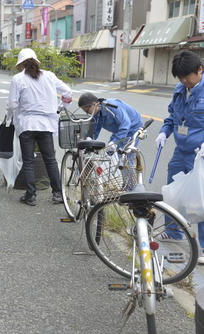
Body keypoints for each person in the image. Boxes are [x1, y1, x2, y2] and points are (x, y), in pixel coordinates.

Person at [155, 50, 204, 263]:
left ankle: (203, 246)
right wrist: (164, 132)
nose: (184, 81)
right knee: (172, 191)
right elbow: (172, 117)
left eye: (187, 77)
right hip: (181, 152)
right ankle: (173, 231)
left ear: (200, 70)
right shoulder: (179, 90)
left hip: (201, 154)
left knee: (201, 199)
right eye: (180, 78)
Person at [6, 48, 72, 206]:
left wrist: (9, 119)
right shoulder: (49, 76)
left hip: (26, 124)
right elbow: (68, 92)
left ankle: (31, 195)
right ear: (36, 61)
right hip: (46, 124)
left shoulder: (18, 79)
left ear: (21, 64)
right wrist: (60, 107)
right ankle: (57, 194)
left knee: (28, 161)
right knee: (50, 160)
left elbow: (12, 104)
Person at [77, 92, 143, 151]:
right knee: (110, 152)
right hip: (118, 130)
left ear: (95, 104)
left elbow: (125, 124)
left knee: (124, 151)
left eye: (87, 110)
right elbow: (95, 129)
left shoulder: (111, 107)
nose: (87, 113)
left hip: (133, 126)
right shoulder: (96, 113)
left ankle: (131, 164)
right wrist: (89, 140)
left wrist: (115, 141)